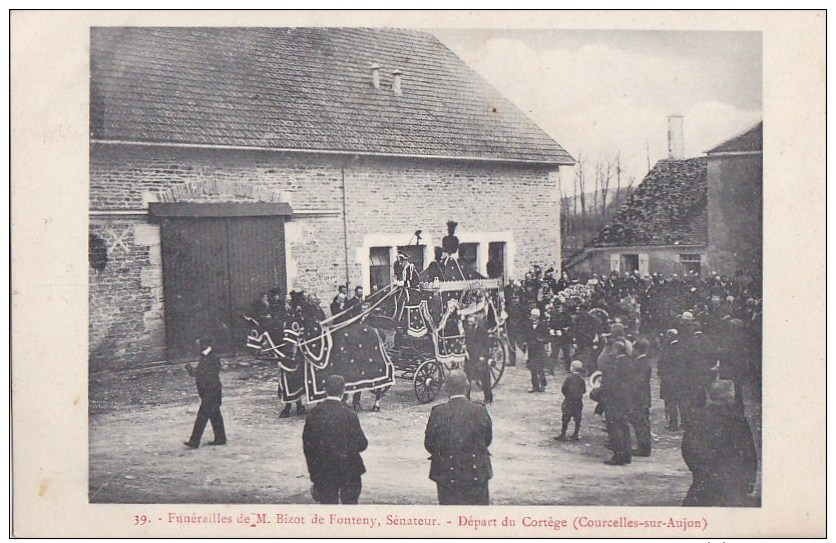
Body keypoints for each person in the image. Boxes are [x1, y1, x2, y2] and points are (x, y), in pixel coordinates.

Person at [681, 380, 758, 506]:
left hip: (703, 479)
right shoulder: (736, 419)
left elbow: (687, 448)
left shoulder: (698, 417)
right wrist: (750, 480)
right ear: (730, 396)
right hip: (732, 480)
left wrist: (697, 469)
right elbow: (748, 452)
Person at [424, 370, 493, 505]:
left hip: (447, 475)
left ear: (446, 388)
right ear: (467, 386)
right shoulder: (480, 410)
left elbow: (429, 444)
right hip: (476, 474)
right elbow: (487, 439)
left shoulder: (438, 412)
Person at [303, 374, 368, 504]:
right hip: (349, 470)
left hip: (324, 471)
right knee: (350, 509)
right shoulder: (350, 414)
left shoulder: (314, 413)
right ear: (343, 391)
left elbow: (308, 448)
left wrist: (315, 475)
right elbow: (362, 444)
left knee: (328, 508)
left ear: (325, 390)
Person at [183, 338, 226, 448]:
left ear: (204, 344)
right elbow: (200, 373)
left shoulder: (212, 358)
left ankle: (194, 440)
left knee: (202, 416)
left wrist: (193, 371)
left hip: (210, 392)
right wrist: (191, 370)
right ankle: (220, 438)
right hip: (211, 391)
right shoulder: (206, 356)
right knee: (215, 415)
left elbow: (204, 374)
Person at [600, 341, 633, 465]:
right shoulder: (629, 362)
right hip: (625, 400)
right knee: (624, 427)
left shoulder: (615, 364)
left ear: (616, 350)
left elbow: (611, 383)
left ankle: (618, 455)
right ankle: (626, 454)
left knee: (615, 428)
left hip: (614, 400)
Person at [628, 338, 652, 457]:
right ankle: (643, 446)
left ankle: (644, 448)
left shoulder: (641, 364)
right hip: (643, 398)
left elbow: (638, 382)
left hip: (639, 398)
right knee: (642, 423)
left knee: (640, 423)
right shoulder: (645, 362)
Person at [464, 313, 493, 405]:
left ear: (475, 322)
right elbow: (467, 343)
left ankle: (488, 398)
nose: (469, 323)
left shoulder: (483, 331)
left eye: (471, 322)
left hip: (480, 357)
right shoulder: (468, 330)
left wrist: (483, 356)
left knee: (485, 379)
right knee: (467, 377)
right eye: (468, 322)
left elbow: (486, 345)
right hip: (471, 357)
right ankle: (466, 397)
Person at [556, 360, 586, 441]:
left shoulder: (569, 378)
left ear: (572, 368)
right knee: (577, 418)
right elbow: (584, 390)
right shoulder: (581, 379)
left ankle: (563, 434)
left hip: (569, 401)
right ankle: (575, 434)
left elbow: (563, 389)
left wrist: (567, 395)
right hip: (578, 401)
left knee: (565, 418)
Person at [521, 307, 549, 393]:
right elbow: (525, 335)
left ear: (537, 316)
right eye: (531, 315)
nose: (531, 317)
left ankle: (543, 384)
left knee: (540, 368)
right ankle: (535, 385)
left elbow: (548, 337)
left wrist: (542, 340)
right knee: (532, 368)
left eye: (533, 316)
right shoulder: (528, 324)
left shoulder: (543, 325)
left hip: (539, 349)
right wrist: (525, 342)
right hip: (531, 349)